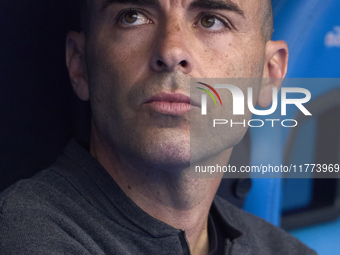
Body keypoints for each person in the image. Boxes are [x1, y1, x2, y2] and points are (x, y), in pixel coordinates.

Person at [0, 0, 316, 254]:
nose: (171, 51)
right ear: (79, 64)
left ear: (269, 74)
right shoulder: (23, 237)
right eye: (133, 16)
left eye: (211, 20)